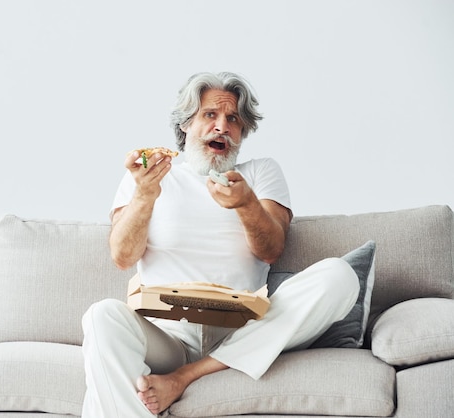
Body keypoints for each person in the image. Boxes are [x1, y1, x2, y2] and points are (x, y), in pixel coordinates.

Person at [81, 72, 359, 417]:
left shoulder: (260, 173)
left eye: (233, 120)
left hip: (244, 332)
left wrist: (246, 204)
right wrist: (145, 196)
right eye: (210, 115)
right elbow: (122, 256)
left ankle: (184, 378)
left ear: (242, 132)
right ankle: (173, 375)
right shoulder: (147, 176)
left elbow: (271, 249)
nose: (222, 127)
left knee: (340, 276)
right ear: (186, 124)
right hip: (167, 338)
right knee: (101, 316)